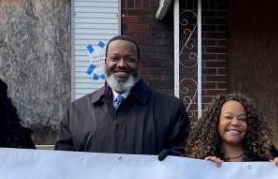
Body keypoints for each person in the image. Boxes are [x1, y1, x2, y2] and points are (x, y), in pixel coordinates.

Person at [56, 34, 190, 156]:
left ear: (139, 64)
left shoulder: (170, 109)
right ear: (105, 63)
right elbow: (62, 163)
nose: (121, 64)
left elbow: (185, 155)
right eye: (114, 58)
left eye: (130, 59)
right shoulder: (76, 112)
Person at [186, 92, 278, 165]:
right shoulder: (201, 159)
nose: (235, 123)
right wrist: (204, 169)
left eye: (242, 119)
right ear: (215, 122)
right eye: (228, 117)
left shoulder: (267, 154)